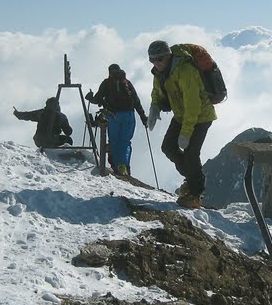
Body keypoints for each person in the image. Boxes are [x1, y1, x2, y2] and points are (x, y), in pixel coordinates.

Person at [145, 40, 217, 208]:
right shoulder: (159, 72)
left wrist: (185, 133)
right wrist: (154, 107)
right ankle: (192, 180)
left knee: (191, 153)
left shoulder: (185, 71)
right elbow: (157, 91)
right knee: (168, 147)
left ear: (169, 56)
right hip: (181, 115)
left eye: (160, 59)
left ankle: (196, 193)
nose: (157, 63)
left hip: (200, 116)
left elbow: (193, 106)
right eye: (152, 60)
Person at [86, 64, 147, 176]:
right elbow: (136, 101)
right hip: (129, 115)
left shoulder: (107, 83)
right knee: (125, 142)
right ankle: (124, 166)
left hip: (113, 115)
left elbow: (97, 99)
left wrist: (90, 97)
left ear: (109, 72)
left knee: (114, 142)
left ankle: (116, 166)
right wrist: (143, 117)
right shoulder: (127, 82)